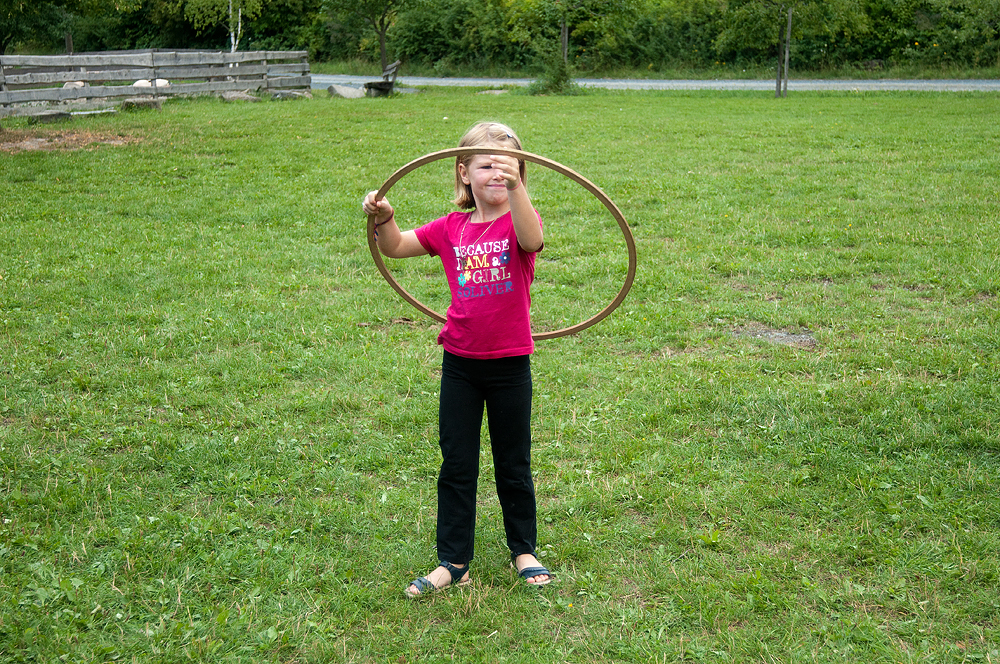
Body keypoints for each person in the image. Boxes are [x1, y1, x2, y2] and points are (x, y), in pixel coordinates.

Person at [362, 121, 552, 597]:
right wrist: (383, 217)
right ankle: (454, 560)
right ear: (463, 173)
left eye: (508, 166)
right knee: (457, 463)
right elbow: (398, 246)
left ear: (521, 175)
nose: (497, 173)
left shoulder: (518, 222)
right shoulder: (451, 228)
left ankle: (523, 549)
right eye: (486, 164)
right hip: (461, 364)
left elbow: (532, 240)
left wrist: (518, 189)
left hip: (510, 364)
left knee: (513, 461)